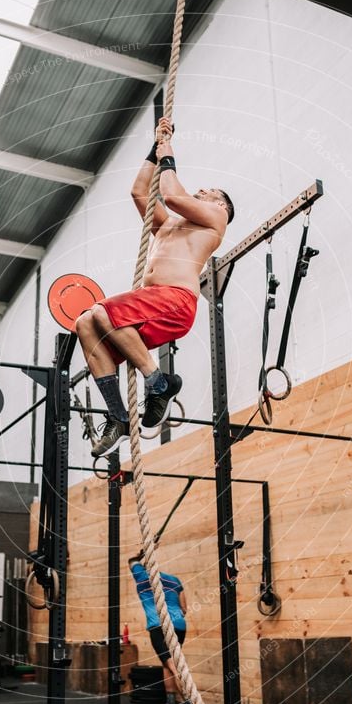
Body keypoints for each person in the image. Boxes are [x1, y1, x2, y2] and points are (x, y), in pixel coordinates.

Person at [76, 116, 234, 457]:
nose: (200, 192)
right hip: (152, 303)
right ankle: (118, 417)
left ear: (220, 205)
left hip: (176, 301)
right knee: (85, 322)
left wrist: (168, 151)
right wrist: (155, 144)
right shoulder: (170, 225)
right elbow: (139, 192)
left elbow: (172, 194)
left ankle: (158, 381)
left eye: (208, 192)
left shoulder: (216, 220)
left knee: (103, 311)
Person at [128, 551, 195, 704]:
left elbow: (132, 561)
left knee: (173, 666)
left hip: (159, 627)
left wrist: (140, 553)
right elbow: (184, 609)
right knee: (168, 665)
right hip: (179, 626)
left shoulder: (141, 576)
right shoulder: (174, 580)